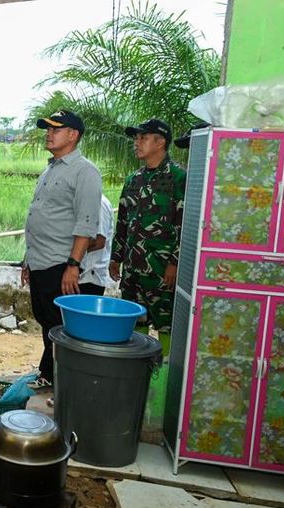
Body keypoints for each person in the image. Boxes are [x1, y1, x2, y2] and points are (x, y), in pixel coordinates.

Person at [20, 109, 103, 388]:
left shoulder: (85, 171)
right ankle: (50, 376)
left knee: (62, 328)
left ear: (73, 135)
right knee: (46, 322)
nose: (49, 133)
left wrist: (73, 265)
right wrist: (27, 261)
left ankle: (68, 385)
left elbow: (86, 224)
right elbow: (39, 216)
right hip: (40, 262)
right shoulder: (50, 169)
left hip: (61, 264)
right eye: (48, 129)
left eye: (56, 129)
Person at [109, 118, 186, 356]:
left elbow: (185, 226)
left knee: (167, 325)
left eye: (143, 137)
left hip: (162, 270)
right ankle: (139, 376)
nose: (137, 143)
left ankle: (161, 381)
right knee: (134, 322)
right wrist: (116, 257)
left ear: (160, 142)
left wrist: (174, 262)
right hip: (133, 268)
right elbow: (123, 221)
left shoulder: (178, 178)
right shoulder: (134, 180)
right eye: (136, 138)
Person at [78, 195, 115, 295]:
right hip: (80, 277)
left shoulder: (99, 203)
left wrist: (69, 254)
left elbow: (98, 241)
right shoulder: (81, 201)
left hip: (89, 278)